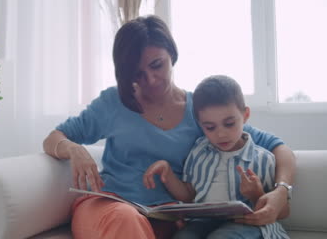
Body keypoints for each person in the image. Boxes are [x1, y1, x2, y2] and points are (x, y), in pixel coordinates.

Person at [43, 15, 295, 239]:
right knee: (125, 219)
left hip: (166, 218)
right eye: (137, 73)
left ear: (172, 55)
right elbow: (54, 138)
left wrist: (282, 190)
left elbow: (278, 148)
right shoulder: (113, 102)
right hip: (109, 207)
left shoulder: (201, 110)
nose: (150, 80)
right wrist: (72, 149)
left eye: (156, 65)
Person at [143, 75, 289, 238]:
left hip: (246, 223)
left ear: (245, 115)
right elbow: (189, 195)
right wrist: (168, 173)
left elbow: (282, 211)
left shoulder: (263, 159)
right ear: (200, 125)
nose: (221, 134)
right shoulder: (198, 153)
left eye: (229, 124)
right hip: (203, 222)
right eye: (210, 127)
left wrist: (257, 195)